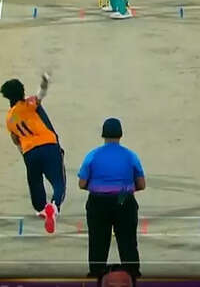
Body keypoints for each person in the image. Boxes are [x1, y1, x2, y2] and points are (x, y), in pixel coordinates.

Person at [78, 118, 145, 278]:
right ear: (120, 135)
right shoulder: (131, 156)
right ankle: (132, 274)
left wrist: (98, 188)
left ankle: (96, 273)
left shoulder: (92, 155)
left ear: (103, 135)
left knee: (98, 240)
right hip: (123, 199)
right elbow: (141, 184)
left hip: (98, 201)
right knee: (128, 240)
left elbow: (82, 183)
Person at [0, 72, 67, 234]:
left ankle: (41, 208)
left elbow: (15, 140)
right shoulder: (30, 103)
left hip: (29, 151)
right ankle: (54, 206)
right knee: (59, 182)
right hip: (49, 145)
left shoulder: (9, 119)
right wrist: (45, 81)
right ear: (22, 92)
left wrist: (25, 154)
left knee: (35, 181)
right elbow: (41, 93)